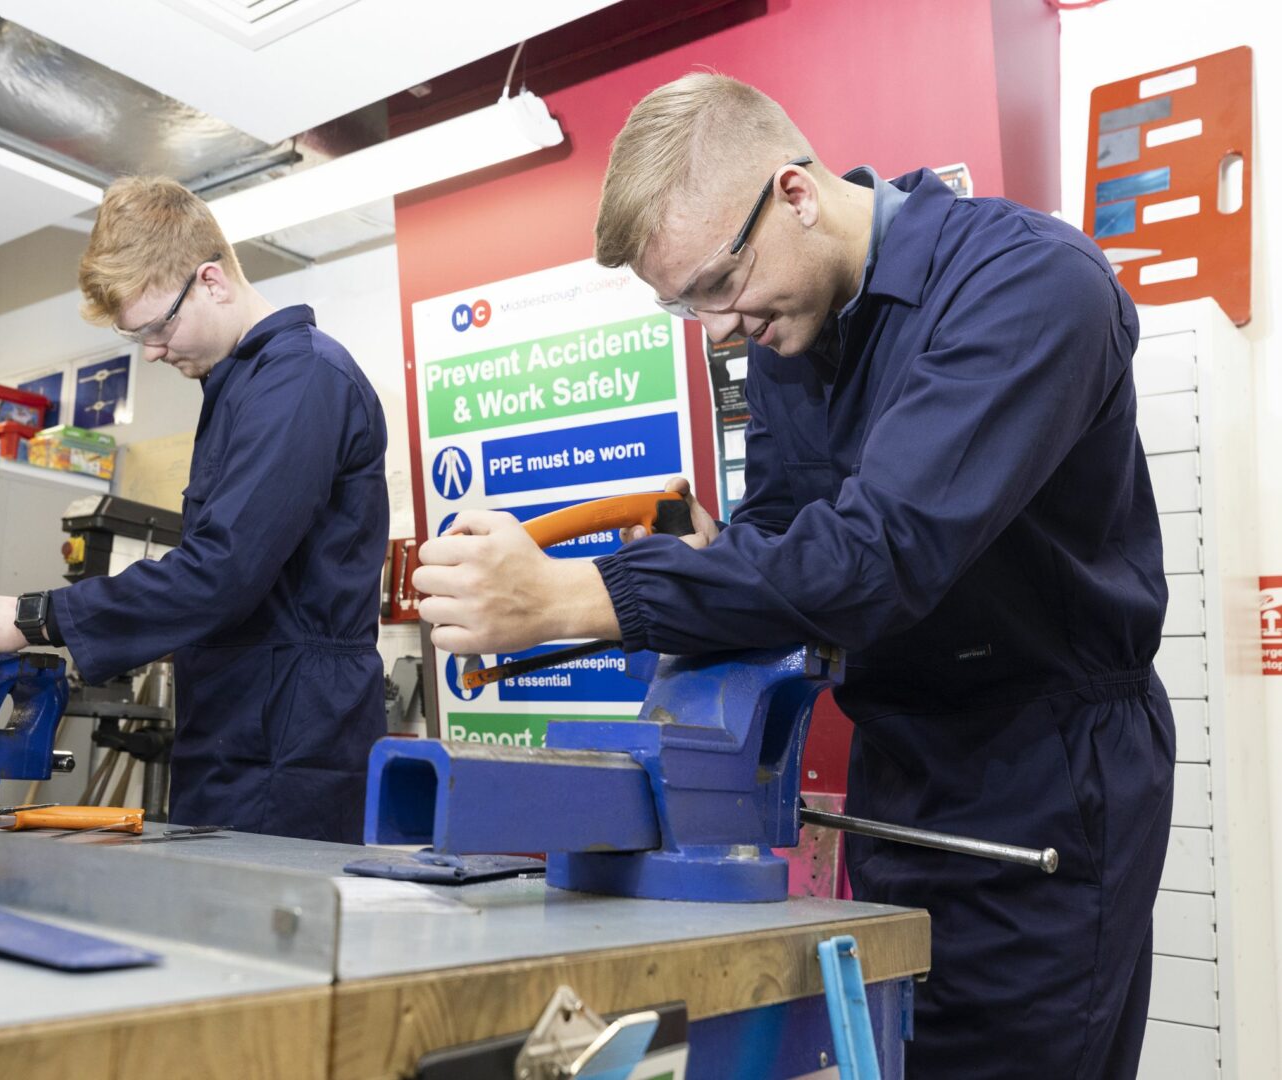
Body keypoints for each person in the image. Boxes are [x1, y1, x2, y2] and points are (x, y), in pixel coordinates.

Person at [412, 74, 1171, 1077]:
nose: (720, 327)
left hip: (1043, 776)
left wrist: (574, 596)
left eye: (717, 288)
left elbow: (880, 551)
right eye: (686, 308)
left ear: (796, 195)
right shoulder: (793, 326)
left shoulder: (1028, 284)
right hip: (897, 770)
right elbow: (775, 529)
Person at [0, 176, 389, 842]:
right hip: (238, 722)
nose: (154, 351)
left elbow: (218, 574)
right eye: (136, 338)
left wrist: (28, 618)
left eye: (159, 327)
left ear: (211, 281)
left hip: (290, 740)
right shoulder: (241, 385)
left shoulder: (301, 379)